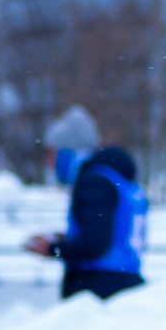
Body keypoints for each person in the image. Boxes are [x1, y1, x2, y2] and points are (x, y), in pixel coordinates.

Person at [20, 106, 146, 301]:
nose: (48, 162)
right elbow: (107, 234)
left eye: (51, 153)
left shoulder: (93, 183)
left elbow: (95, 244)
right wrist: (63, 239)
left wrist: (52, 248)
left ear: (67, 152)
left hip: (100, 289)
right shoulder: (113, 178)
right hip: (119, 283)